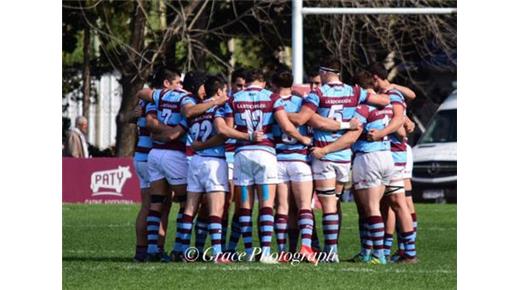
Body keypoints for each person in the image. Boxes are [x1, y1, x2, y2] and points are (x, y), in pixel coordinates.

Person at [286, 56, 390, 262]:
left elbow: (310, 120)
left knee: (327, 206)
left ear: (325, 72)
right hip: (344, 156)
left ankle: (330, 251)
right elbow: (385, 100)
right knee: (334, 202)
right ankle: (334, 249)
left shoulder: (317, 93)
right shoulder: (355, 91)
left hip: (324, 154)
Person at [223, 69, 311, 264]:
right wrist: (302, 138)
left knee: (244, 206)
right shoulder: (272, 98)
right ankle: (264, 252)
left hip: (242, 153)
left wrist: (246, 136)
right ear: (262, 82)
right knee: (266, 204)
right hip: (265, 154)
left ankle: (247, 251)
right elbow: (287, 126)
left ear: (247, 81)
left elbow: (228, 130)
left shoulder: (234, 98)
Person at [137, 70, 227, 261]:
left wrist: (158, 131)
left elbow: (142, 93)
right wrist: (214, 102)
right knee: (188, 202)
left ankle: (153, 251)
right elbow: (184, 117)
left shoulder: (166, 93)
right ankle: (180, 248)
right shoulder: (188, 99)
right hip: (173, 154)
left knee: (156, 203)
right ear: (199, 86)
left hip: (154, 153)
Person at [174, 76, 263, 264]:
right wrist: (249, 136)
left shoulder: (198, 108)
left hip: (195, 161)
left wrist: (198, 146)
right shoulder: (217, 108)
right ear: (220, 92)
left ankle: (181, 250)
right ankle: (217, 253)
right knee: (217, 209)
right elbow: (223, 131)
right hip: (213, 161)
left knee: (190, 208)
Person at [367, 63, 417, 264]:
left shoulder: (392, 95)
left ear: (375, 77)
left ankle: (407, 249)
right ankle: (389, 250)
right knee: (388, 204)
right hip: (387, 154)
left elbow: (402, 129)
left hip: (396, 154)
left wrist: (393, 123)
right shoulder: (383, 95)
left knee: (401, 202)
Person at [270, 69, 316, 263]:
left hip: (279, 160)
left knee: (282, 207)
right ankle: (306, 247)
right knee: (304, 206)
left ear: (273, 84)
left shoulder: (271, 102)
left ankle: (283, 251)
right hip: (299, 160)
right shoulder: (303, 102)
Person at [224, 68, 247, 253]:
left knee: (240, 206)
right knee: (221, 205)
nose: (243, 88)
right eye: (239, 85)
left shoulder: (257, 102)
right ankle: (217, 248)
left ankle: (230, 248)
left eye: (245, 85)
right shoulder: (226, 102)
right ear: (232, 85)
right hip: (224, 158)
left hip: (240, 158)